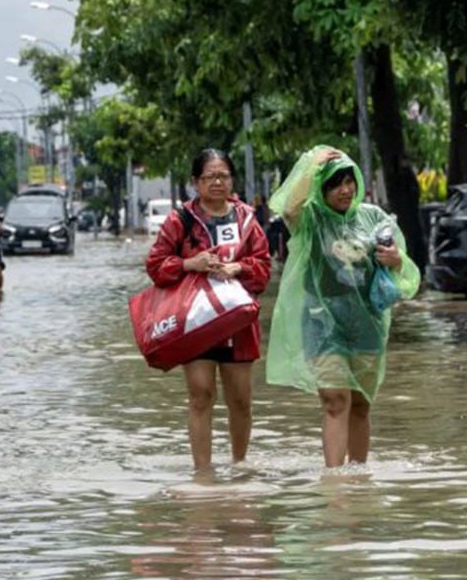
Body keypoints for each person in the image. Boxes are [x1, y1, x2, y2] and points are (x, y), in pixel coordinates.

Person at [266, 146, 420, 468]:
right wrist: (312, 165)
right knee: (336, 401)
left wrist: (396, 260)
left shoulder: (374, 218)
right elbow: (289, 208)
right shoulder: (311, 220)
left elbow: (402, 269)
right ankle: (334, 482)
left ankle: (359, 477)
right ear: (322, 189)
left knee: (361, 404)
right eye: (335, 183)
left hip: (367, 326)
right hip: (322, 326)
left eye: (349, 181)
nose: (345, 189)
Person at [145, 149, 271, 471]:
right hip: (196, 321)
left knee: (241, 400)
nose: (217, 182)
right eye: (209, 177)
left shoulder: (247, 218)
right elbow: (156, 265)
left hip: (238, 322)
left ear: (232, 179)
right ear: (195, 182)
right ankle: (203, 474)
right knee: (201, 396)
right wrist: (190, 263)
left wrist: (238, 268)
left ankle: (240, 466)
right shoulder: (180, 220)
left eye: (223, 176)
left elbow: (263, 268)